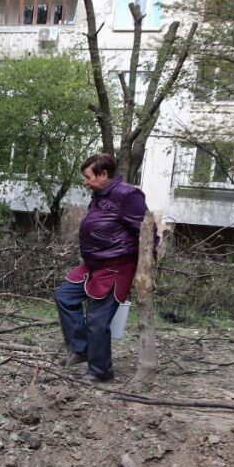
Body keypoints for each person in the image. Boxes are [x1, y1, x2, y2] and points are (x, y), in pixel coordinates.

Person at [55, 152, 149, 383]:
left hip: (117, 266)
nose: (84, 181)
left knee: (98, 319)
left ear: (104, 174)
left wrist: (148, 264)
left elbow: (147, 232)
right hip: (93, 265)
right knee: (64, 296)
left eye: (87, 176)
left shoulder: (128, 195)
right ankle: (82, 348)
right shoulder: (99, 195)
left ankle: (100, 371)